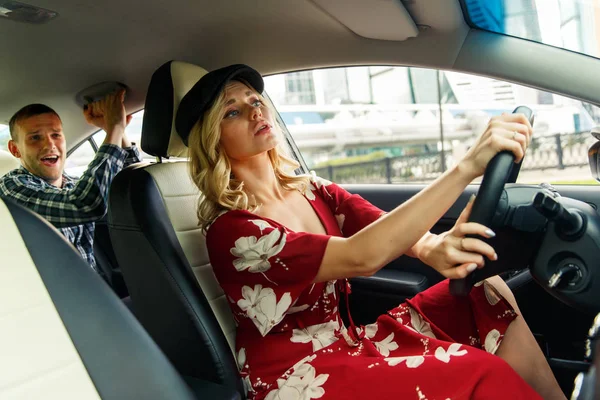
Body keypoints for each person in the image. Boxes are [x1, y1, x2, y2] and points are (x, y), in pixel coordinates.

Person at [176, 64, 566, 400]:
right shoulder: (234, 233)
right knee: (480, 372)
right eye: (232, 111)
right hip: (296, 377)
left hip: (351, 342)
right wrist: (466, 167)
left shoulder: (311, 190)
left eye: (255, 100)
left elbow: (385, 226)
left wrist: (435, 246)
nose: (254, 110)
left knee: (487, 289)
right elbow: (361, 255)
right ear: (213, 140)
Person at [0, 90, 141, 275]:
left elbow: (131, 188)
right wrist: (115, 127)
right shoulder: (11, 188)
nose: (49, 145)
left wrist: (114, 129)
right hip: (54, 300)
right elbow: (85, 204)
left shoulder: (73, 185)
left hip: (93, 289)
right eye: (35, 137)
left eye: (56, 135)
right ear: (15, 149)